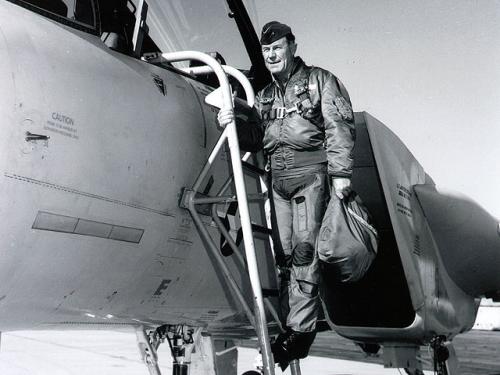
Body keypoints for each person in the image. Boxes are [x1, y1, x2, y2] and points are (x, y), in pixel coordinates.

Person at [218, 21, 355, 366]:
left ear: (292, 46)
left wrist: (340, 174)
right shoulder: (264, 96)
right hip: (277, 179)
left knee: (305, 254)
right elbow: (258, 140)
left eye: (277, 48)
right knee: (284, 257)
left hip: (310, 175)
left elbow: (339, 125)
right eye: (266, 51)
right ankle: (291, 328)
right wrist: (232, 121)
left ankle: (301, 330)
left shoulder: (319, 80)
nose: (272, 55)